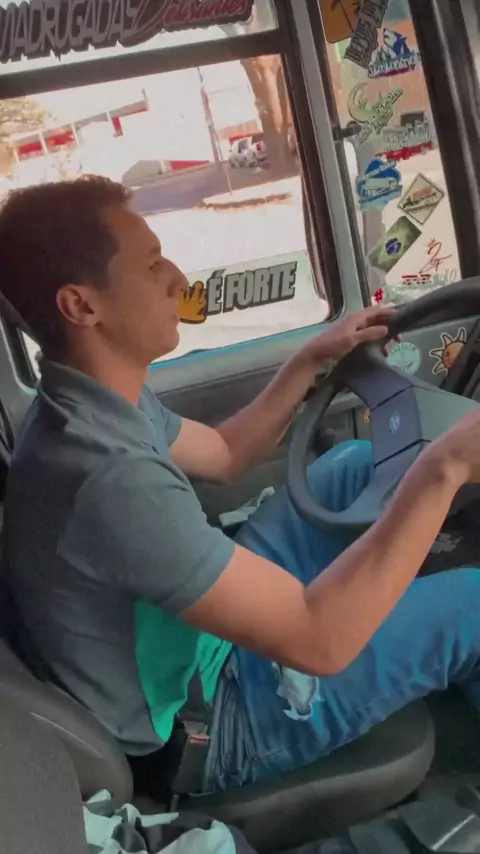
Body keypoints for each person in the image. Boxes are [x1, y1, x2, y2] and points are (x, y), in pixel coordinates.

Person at [2, 176, 480, 796]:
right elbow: (319, 641)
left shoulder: (94, 405)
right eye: (151, 265)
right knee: (473, 601)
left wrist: (309, 360)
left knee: (355, 465)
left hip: (202, 641)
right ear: (81, 306)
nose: (177, 278)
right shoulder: (106, 477)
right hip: (211, 718)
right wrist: (446, 467)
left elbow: (226, 454)